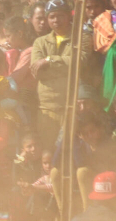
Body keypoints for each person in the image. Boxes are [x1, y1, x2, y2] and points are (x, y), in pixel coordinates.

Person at [31, 0, 84, 146]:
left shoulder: (80, 37)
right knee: (48, 152)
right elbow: (37, 71)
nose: (56, 20)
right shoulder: (39, 42)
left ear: (69, 16)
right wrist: (65, 67)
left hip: (71, 107)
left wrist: (49, 61)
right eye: (52, 16)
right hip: (46, 109)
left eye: (60, 16)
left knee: (70, 152)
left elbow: (81, 62)